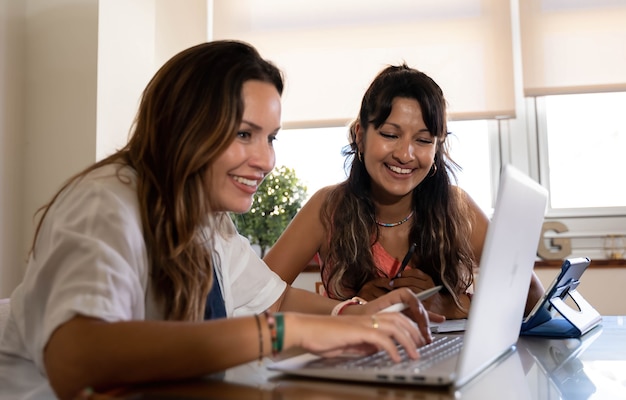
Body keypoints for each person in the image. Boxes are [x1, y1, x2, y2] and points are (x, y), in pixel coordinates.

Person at [0, 42, 434, 400]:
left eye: (271, 138)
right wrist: (286, 332)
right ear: (185, 126)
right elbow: (74, 358)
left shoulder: (208, 218)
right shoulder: (107, 204)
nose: (266, 161)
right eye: (244, 134)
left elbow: (274, 301)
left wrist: (352, 314)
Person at [264, 64, 545, 320]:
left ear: (436, 148)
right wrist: (354, 307)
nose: (405, 154)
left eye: (423, 140)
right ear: (361, 135)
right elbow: (254, 297)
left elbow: (531, 295)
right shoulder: (328, 207)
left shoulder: (457, 207)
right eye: (390, 135)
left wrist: (448, 305)